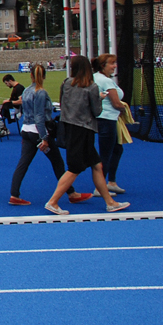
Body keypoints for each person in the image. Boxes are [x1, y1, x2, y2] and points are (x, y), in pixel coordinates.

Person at [44, 56, 130, 215]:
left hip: (69, 127)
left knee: (97, 165)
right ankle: (53, 201)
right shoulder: (91, 86)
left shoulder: (66, 83)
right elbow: (97, 111)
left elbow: (63, 104)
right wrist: (100, 98)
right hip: (84, 129)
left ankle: (110, 202)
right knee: (74, 168)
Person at [8, 65, 91, 206]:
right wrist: (44, 138)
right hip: (38, 132)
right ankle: (71, 193)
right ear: (44, 76)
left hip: (26, 130)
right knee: (57, 162)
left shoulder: (26, 90)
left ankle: (14, 194)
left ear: (31, 75)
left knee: (23, 163)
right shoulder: (40, 92)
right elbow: (39, 117)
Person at [92, 54, 128, 196]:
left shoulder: (95, 77)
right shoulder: (106, 81)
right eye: (112, 63)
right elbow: (116, 103)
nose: (114, 66)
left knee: (117, 149)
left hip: (105, 119)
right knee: (106, 154)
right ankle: (99, 188)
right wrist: (125, 109)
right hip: (107, 120)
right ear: (103, 66)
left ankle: (111, 182)